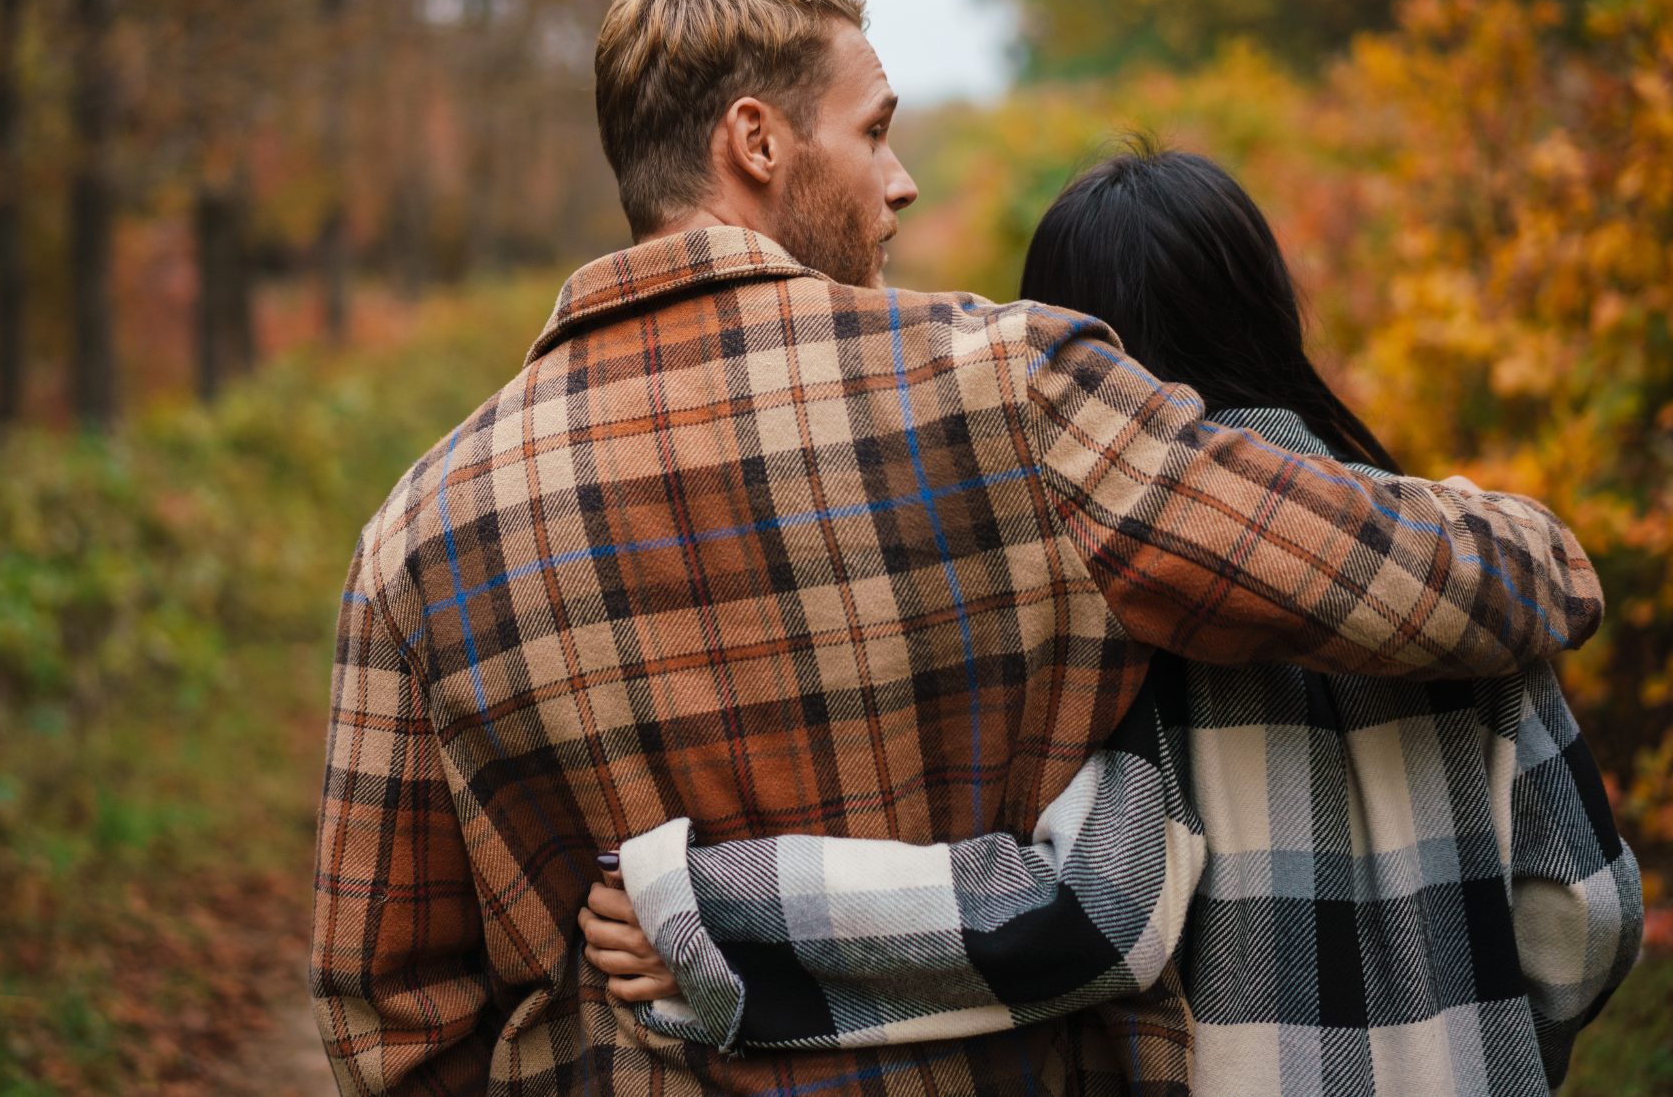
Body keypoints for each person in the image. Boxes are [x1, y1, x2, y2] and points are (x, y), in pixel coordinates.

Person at [307, 0, 1606, 1097]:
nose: (904, 179)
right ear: (757, 142)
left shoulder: (411, 536)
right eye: (873, 131)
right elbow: (1367, 572)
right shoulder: (1009, 390)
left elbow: (388, 1007)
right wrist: (1545, 551)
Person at [580, 145, 1643, 1095]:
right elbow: (1582, 915)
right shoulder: (1458, 570)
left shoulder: (1122, 607)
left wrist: (706, 908)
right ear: (1265, 307)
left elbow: (1089, 913)